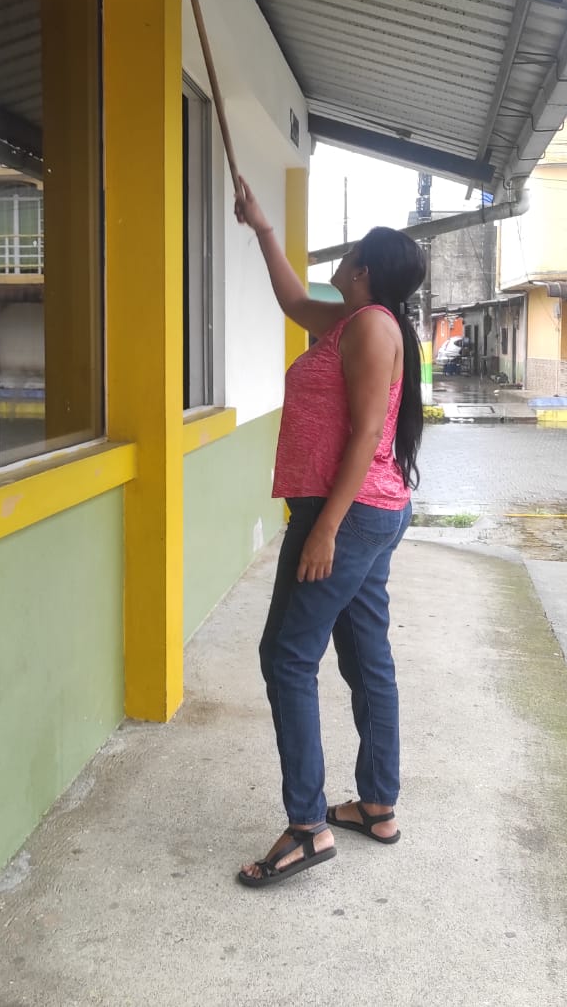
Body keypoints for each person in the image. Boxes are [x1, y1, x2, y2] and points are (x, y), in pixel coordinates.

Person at [231, 176, 427, 889]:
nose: (338, 262)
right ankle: (377, 804)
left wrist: (326, 531)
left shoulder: (371, 325)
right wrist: (262, 228)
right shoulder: (354, 321)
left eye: (347, 256)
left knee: (286, 656)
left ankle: (308, 827)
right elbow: (291, 301)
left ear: (364, 270)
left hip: (346, 513)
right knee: (365, 653)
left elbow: (369, 431)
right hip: (365, 511)